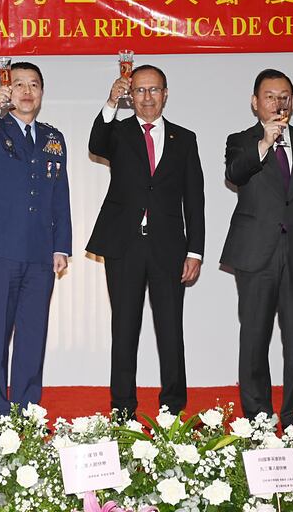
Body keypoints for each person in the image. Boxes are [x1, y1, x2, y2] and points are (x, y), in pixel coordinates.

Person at [86, 64, 205, 419]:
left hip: (169, 248)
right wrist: (110, 101)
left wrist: (194, 250)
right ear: (130, 95)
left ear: (165, 94)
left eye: (154, 90)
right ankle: (123, 409)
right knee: (124, 329)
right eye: (139, 91)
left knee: (170, 330)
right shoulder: (118, 132)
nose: (147, 97)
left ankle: (173, 409)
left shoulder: (184, 139)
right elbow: (96, 143)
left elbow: (194, 198)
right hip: (124, 246)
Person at [220, 69, 293, 428]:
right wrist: (264, 144)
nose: (278, 102)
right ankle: (258, 421)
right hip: (257, 253)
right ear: (255, 103)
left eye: (285, 96)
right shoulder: (240, 140)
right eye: (270, 96)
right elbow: (236, 174)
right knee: (254, 338)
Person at [0, 62, 71, 415]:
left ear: (42, 93)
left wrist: (62, 245)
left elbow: (61, 195)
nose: (27, 91)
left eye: (35, 85)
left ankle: (27, 407)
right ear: (9, 90)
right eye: (20, 84)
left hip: (41, 250)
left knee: (32, 334)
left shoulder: (53, 138)